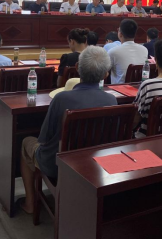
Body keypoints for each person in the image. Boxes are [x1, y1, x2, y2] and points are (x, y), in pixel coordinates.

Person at [19, 46, 116, 214]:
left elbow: (44, 138)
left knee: (26, 142)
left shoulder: (61, 98)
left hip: (60, 165)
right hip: (94, 165)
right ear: (106, 74)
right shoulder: (111, 100)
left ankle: (30, 204)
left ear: (77, 67)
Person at [108, 19, 148, 84]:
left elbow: (104, 72)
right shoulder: (144, 50)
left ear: (120, 34)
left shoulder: (113, 52)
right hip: (139, 87)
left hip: (119, 89)